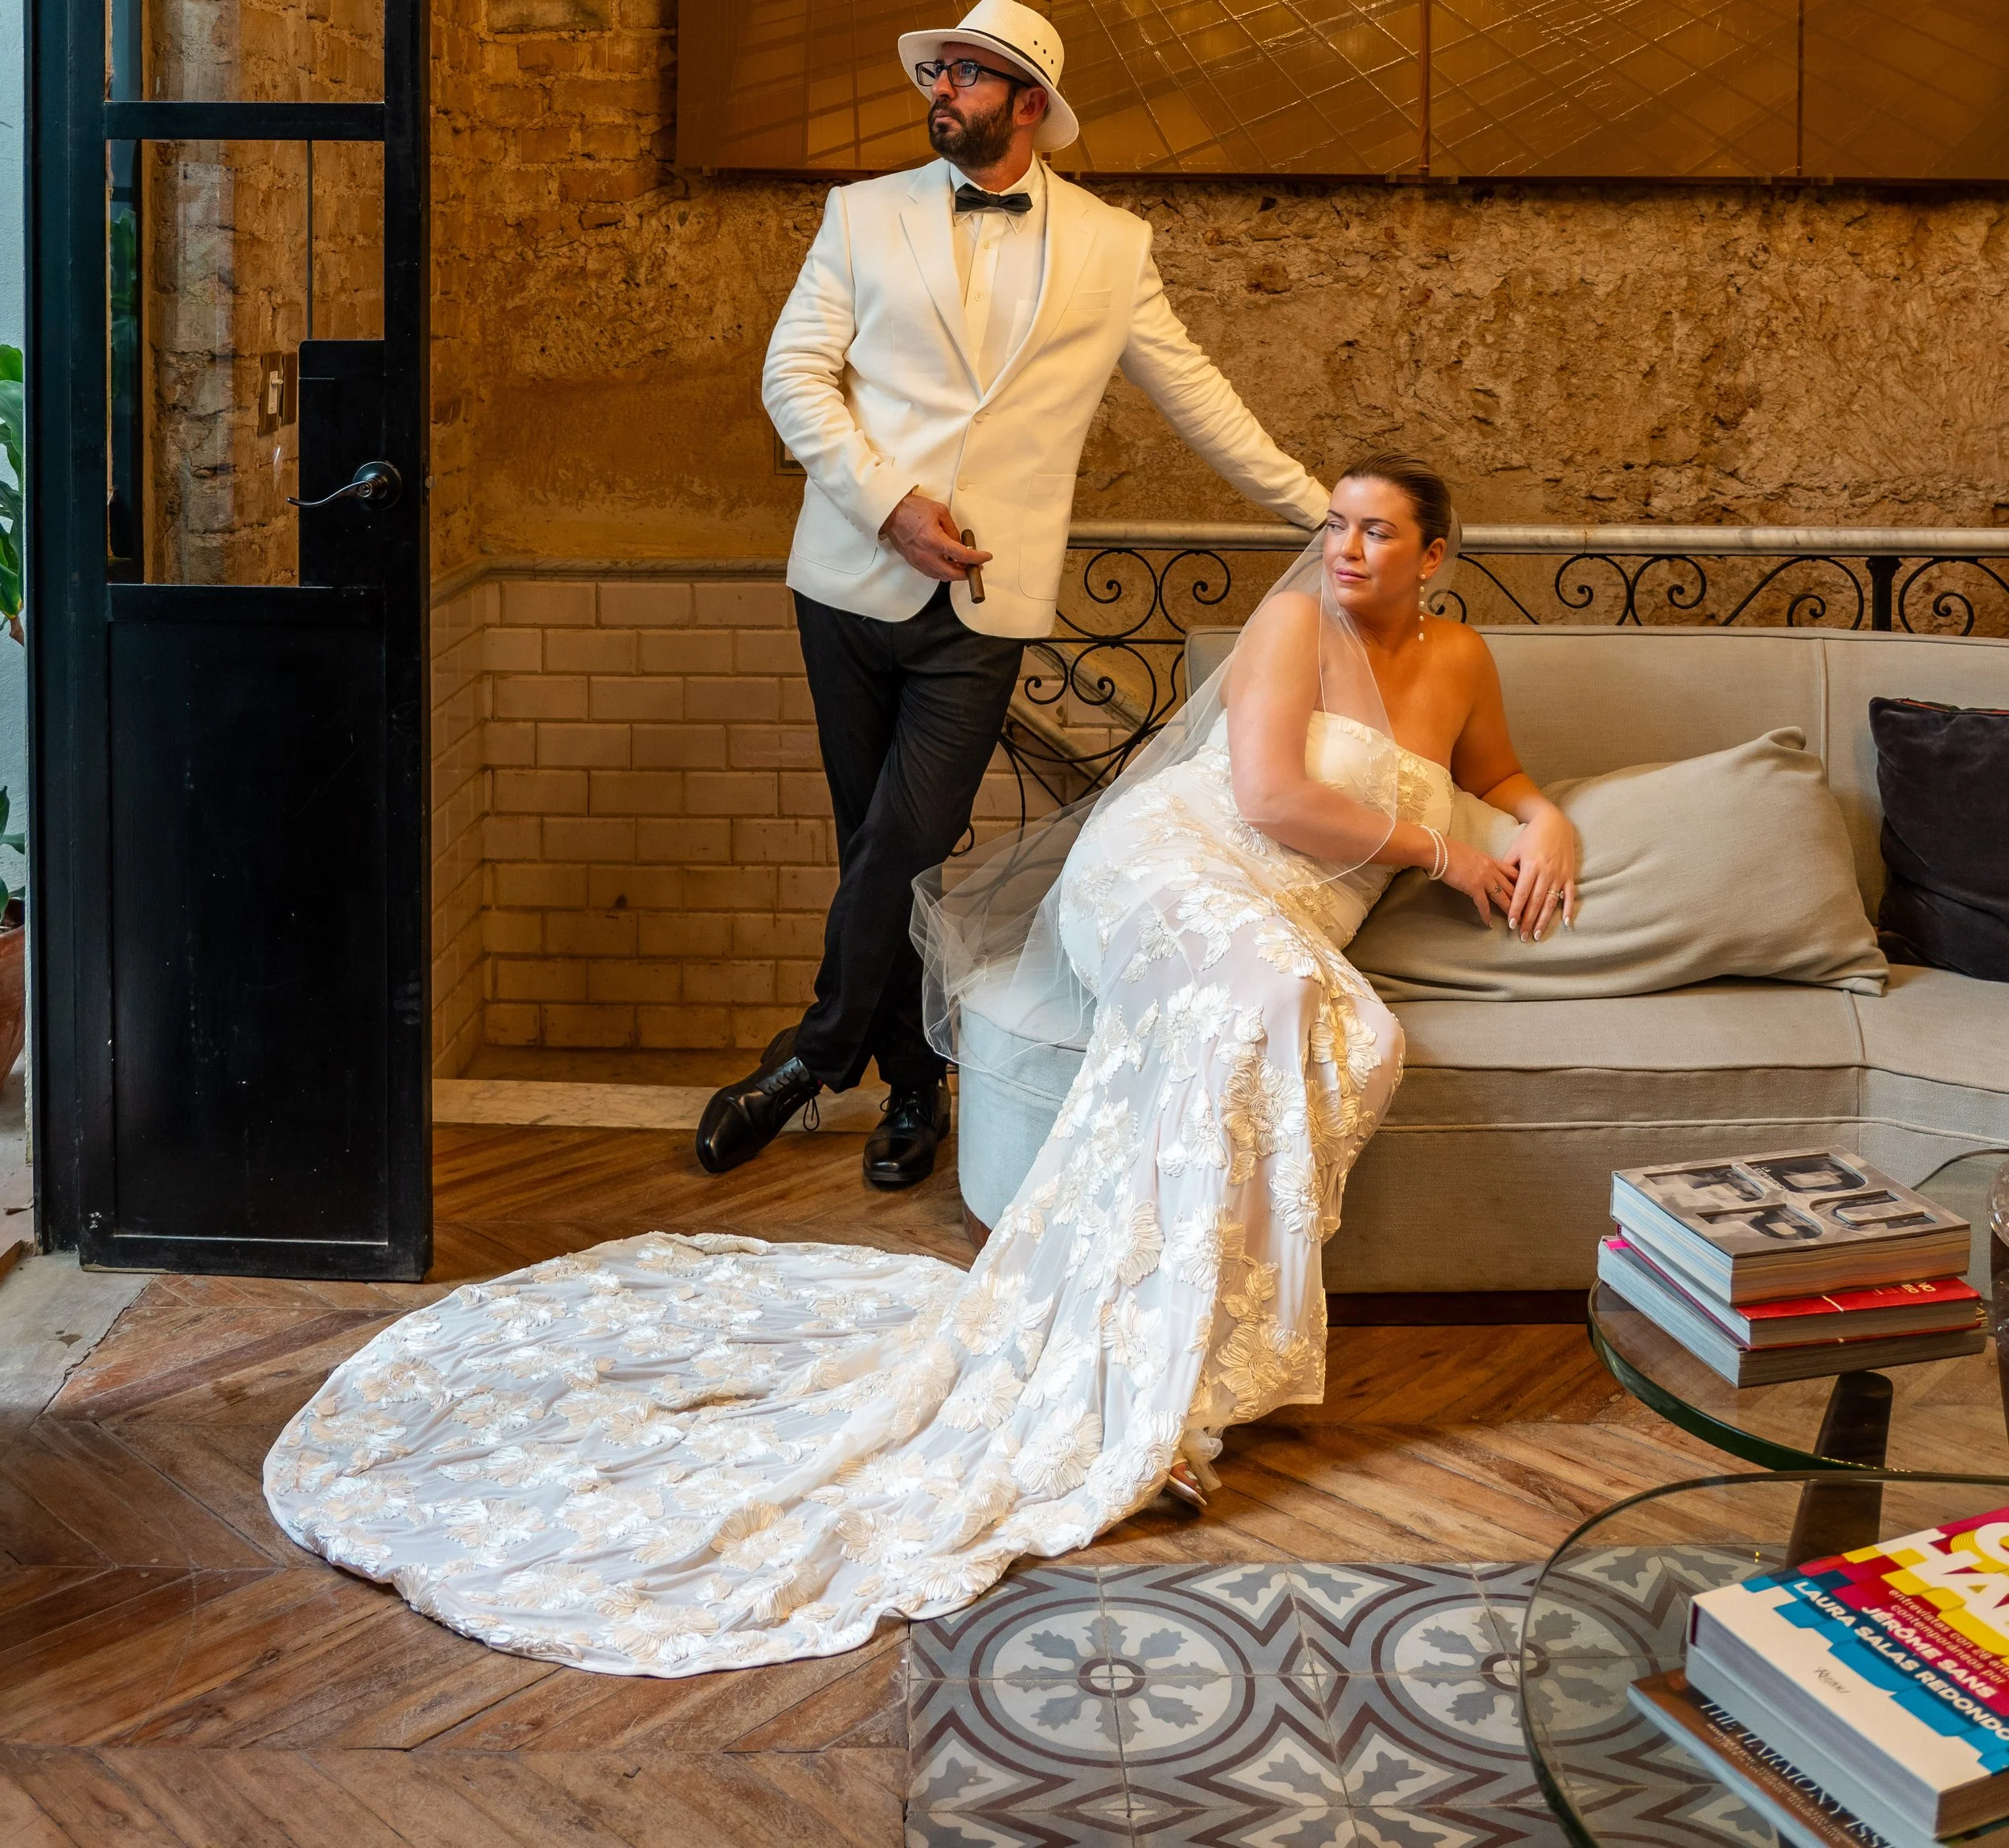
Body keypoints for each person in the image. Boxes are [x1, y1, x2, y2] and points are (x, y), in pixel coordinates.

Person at [264, 457, 1581, 1679]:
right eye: (1334, 523)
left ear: (1434, 555)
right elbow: (1275, 796)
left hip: (1278, 918)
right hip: (1178, 868)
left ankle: (1181, 1355)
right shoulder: (1295, 624)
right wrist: (1454, 854)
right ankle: (1164, 1398)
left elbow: (1505, 774)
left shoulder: (1461, 656)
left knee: (1357, 1035)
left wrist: (1544, 820)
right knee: (1280, 1002)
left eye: (1376, 531)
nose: (1344, 547)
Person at [702, 0, 1330, 1193]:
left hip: (986, 605)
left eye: (966, 75)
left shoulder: (1112, 245)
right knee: (876, 845)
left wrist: (1320, 511)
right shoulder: (861, 213)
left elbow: (1198, 394)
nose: (940, 89)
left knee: (905, 838)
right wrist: (888, 500)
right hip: (848, 580)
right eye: (935, 72)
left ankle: (812, 1057)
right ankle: (911, 1093)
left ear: (1029, 102)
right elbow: (792, 375)